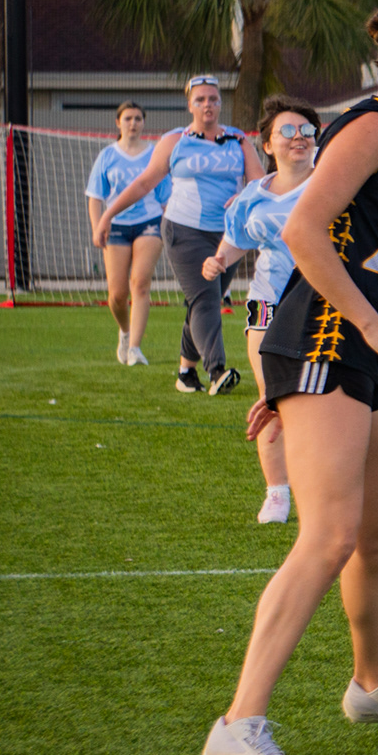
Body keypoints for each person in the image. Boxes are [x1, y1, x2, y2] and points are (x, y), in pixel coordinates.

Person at [200, 7, 378, 755]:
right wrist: (372, 332)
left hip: (344, 354)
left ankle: (374, 686)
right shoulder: (372, 125)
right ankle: (238, 722)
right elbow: (302, 231)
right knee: (327, 536)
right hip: (326, 340)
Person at [93, 74, 263, 395]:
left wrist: (243, 198)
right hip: (183, 230)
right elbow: (144, 183)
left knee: (202, 301)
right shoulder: (175, 140)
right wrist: (108, 215)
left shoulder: (239, 141)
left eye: (213, 98)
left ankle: (186, 372)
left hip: (228, 235)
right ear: (190, 105)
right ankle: (217, 372)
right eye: (200, 100)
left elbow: (259, 184)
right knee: (206, 298)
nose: (207, 105)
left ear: (220, 103)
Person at [202, 96, 319, 525]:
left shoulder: (332, 178)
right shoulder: (253, 196)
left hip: (323, 301)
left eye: (306, 130)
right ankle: (277, 492)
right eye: (287, 131)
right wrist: (217, 261)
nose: (299, 138)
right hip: (269, 302)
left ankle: (325, 483)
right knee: (273, 394)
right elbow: (234, 243)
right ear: (267, 144)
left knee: (325, 399)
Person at [83, 101, 170, 365]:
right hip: (116, 227)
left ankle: (135, 348)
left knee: (140, 284)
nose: (133, 123)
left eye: (138, 118)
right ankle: (124, 331)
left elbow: (166, 197)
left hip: (149, 223)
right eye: (128, 118)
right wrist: (98, 226)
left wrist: (171, 228)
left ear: (144, 123)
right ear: (118, 122)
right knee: (117, 294)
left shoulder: (156, 155)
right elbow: (95, 197)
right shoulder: (107, 156)